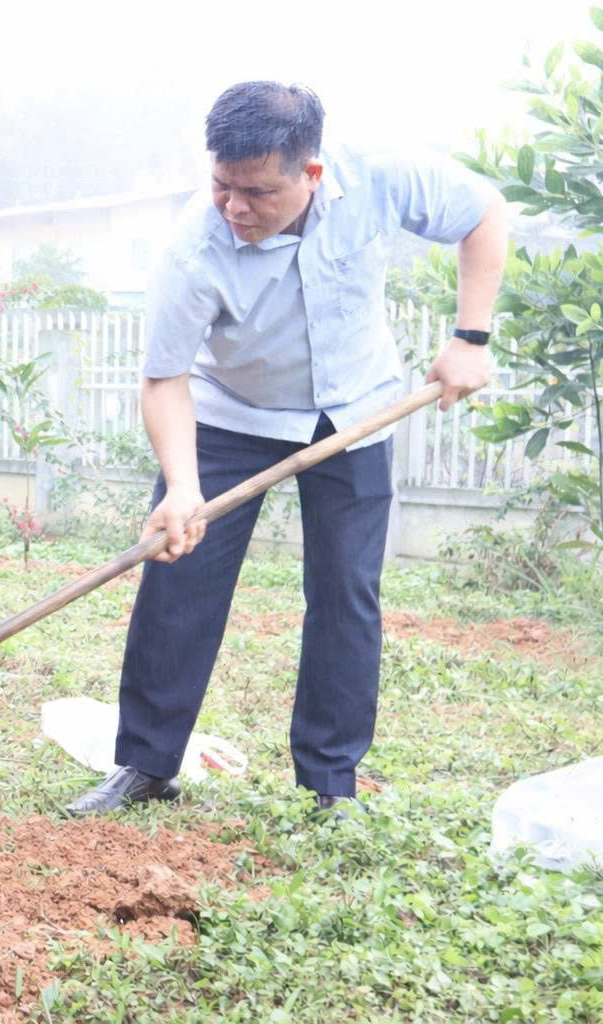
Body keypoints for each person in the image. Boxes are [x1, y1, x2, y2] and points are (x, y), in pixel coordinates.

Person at [65, 81, 506, 817]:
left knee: (345, 593)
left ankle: (330, 784)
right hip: (231, 417)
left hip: (357, 412)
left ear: (312, 174)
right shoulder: (192, 247)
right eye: (222, 186)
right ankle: (146, 765)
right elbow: (165, 379)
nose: (235, 207)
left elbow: (483, 214)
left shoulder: (382, 178)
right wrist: (181, 487)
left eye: (257, 192)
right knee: (180, 580)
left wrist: (470, 337)